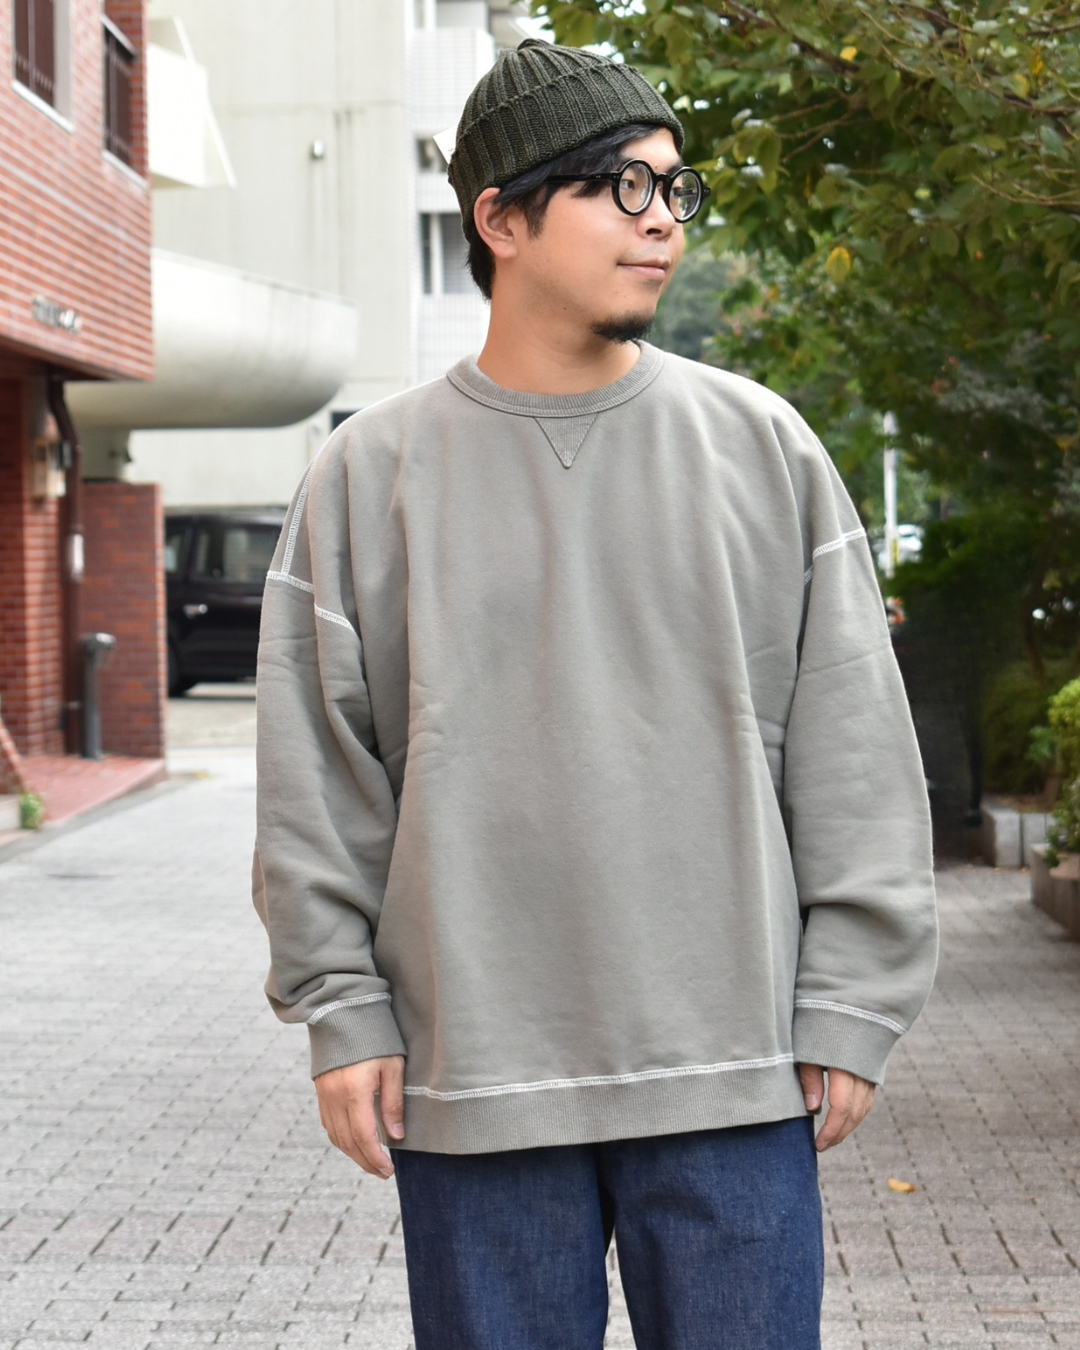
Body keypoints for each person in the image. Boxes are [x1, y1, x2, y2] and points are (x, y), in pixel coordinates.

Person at [253, 38, 938, 1350]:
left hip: (737, 1074)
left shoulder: (763, 448)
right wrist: (341, 1008)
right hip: (475, 1080)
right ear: (500, 219)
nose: (662, 219)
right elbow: (316, 780)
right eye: (622, 187)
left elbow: (855, 748)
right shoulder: (367, 477)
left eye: (676, 188)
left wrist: (853, 999)